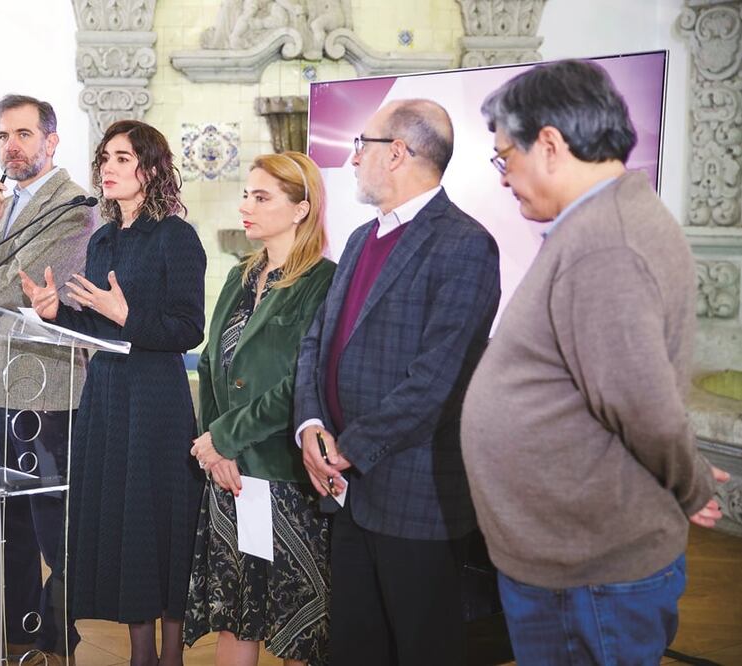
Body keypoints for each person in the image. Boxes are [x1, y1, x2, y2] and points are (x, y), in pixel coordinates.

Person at [462, 59, 731, 665]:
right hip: (574, 559)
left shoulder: (606, 242)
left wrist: (685, 482)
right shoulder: (602, 224)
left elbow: (643, 407)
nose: (504, 177)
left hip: (590, 571)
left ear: (551, 145)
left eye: (506, 157)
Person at [295, 99, 501, 665]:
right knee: (357, 647)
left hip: (415, 492)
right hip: (348, 491)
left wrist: (347, 450)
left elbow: (438, 380)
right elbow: (317, 343)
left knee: (421, 647)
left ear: (399, 153)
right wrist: (311, 426)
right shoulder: (362, 238)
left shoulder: (465, 245)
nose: (353, 157)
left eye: (362, 145)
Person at [19, 119, 205, 666]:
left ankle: (170, 652)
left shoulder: (176, 236)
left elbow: (188, 327)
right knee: (123, 522)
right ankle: (139, 652)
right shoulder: (101, 238)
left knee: (159, 521)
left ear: (150, 168)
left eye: (123, 158)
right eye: (106, 158)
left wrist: (129, 314)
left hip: (155, 399)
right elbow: (99, 330)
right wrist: (57, 314)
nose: (109, 167)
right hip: (104, 395)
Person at [0, 94, 94, 658]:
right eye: (3, 134)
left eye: (24, 134)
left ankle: (59, 636)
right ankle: (22, 632)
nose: (12, 145)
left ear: (51, 141)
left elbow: (8, 291)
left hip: (47, 389)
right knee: (9, 523)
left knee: (52, 527)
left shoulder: (74, 204)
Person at [183, 151, 335, 666]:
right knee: (238, 614)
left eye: (262, 196)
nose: (246, 205)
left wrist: (226, 437)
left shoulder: (323, 282)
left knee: (302, 628)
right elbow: (210, 365)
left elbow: (302, 385)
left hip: (286, 474)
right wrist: (214, 449)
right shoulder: (240, 276)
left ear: (300, 209)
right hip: (232, 475)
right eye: (247, 194)